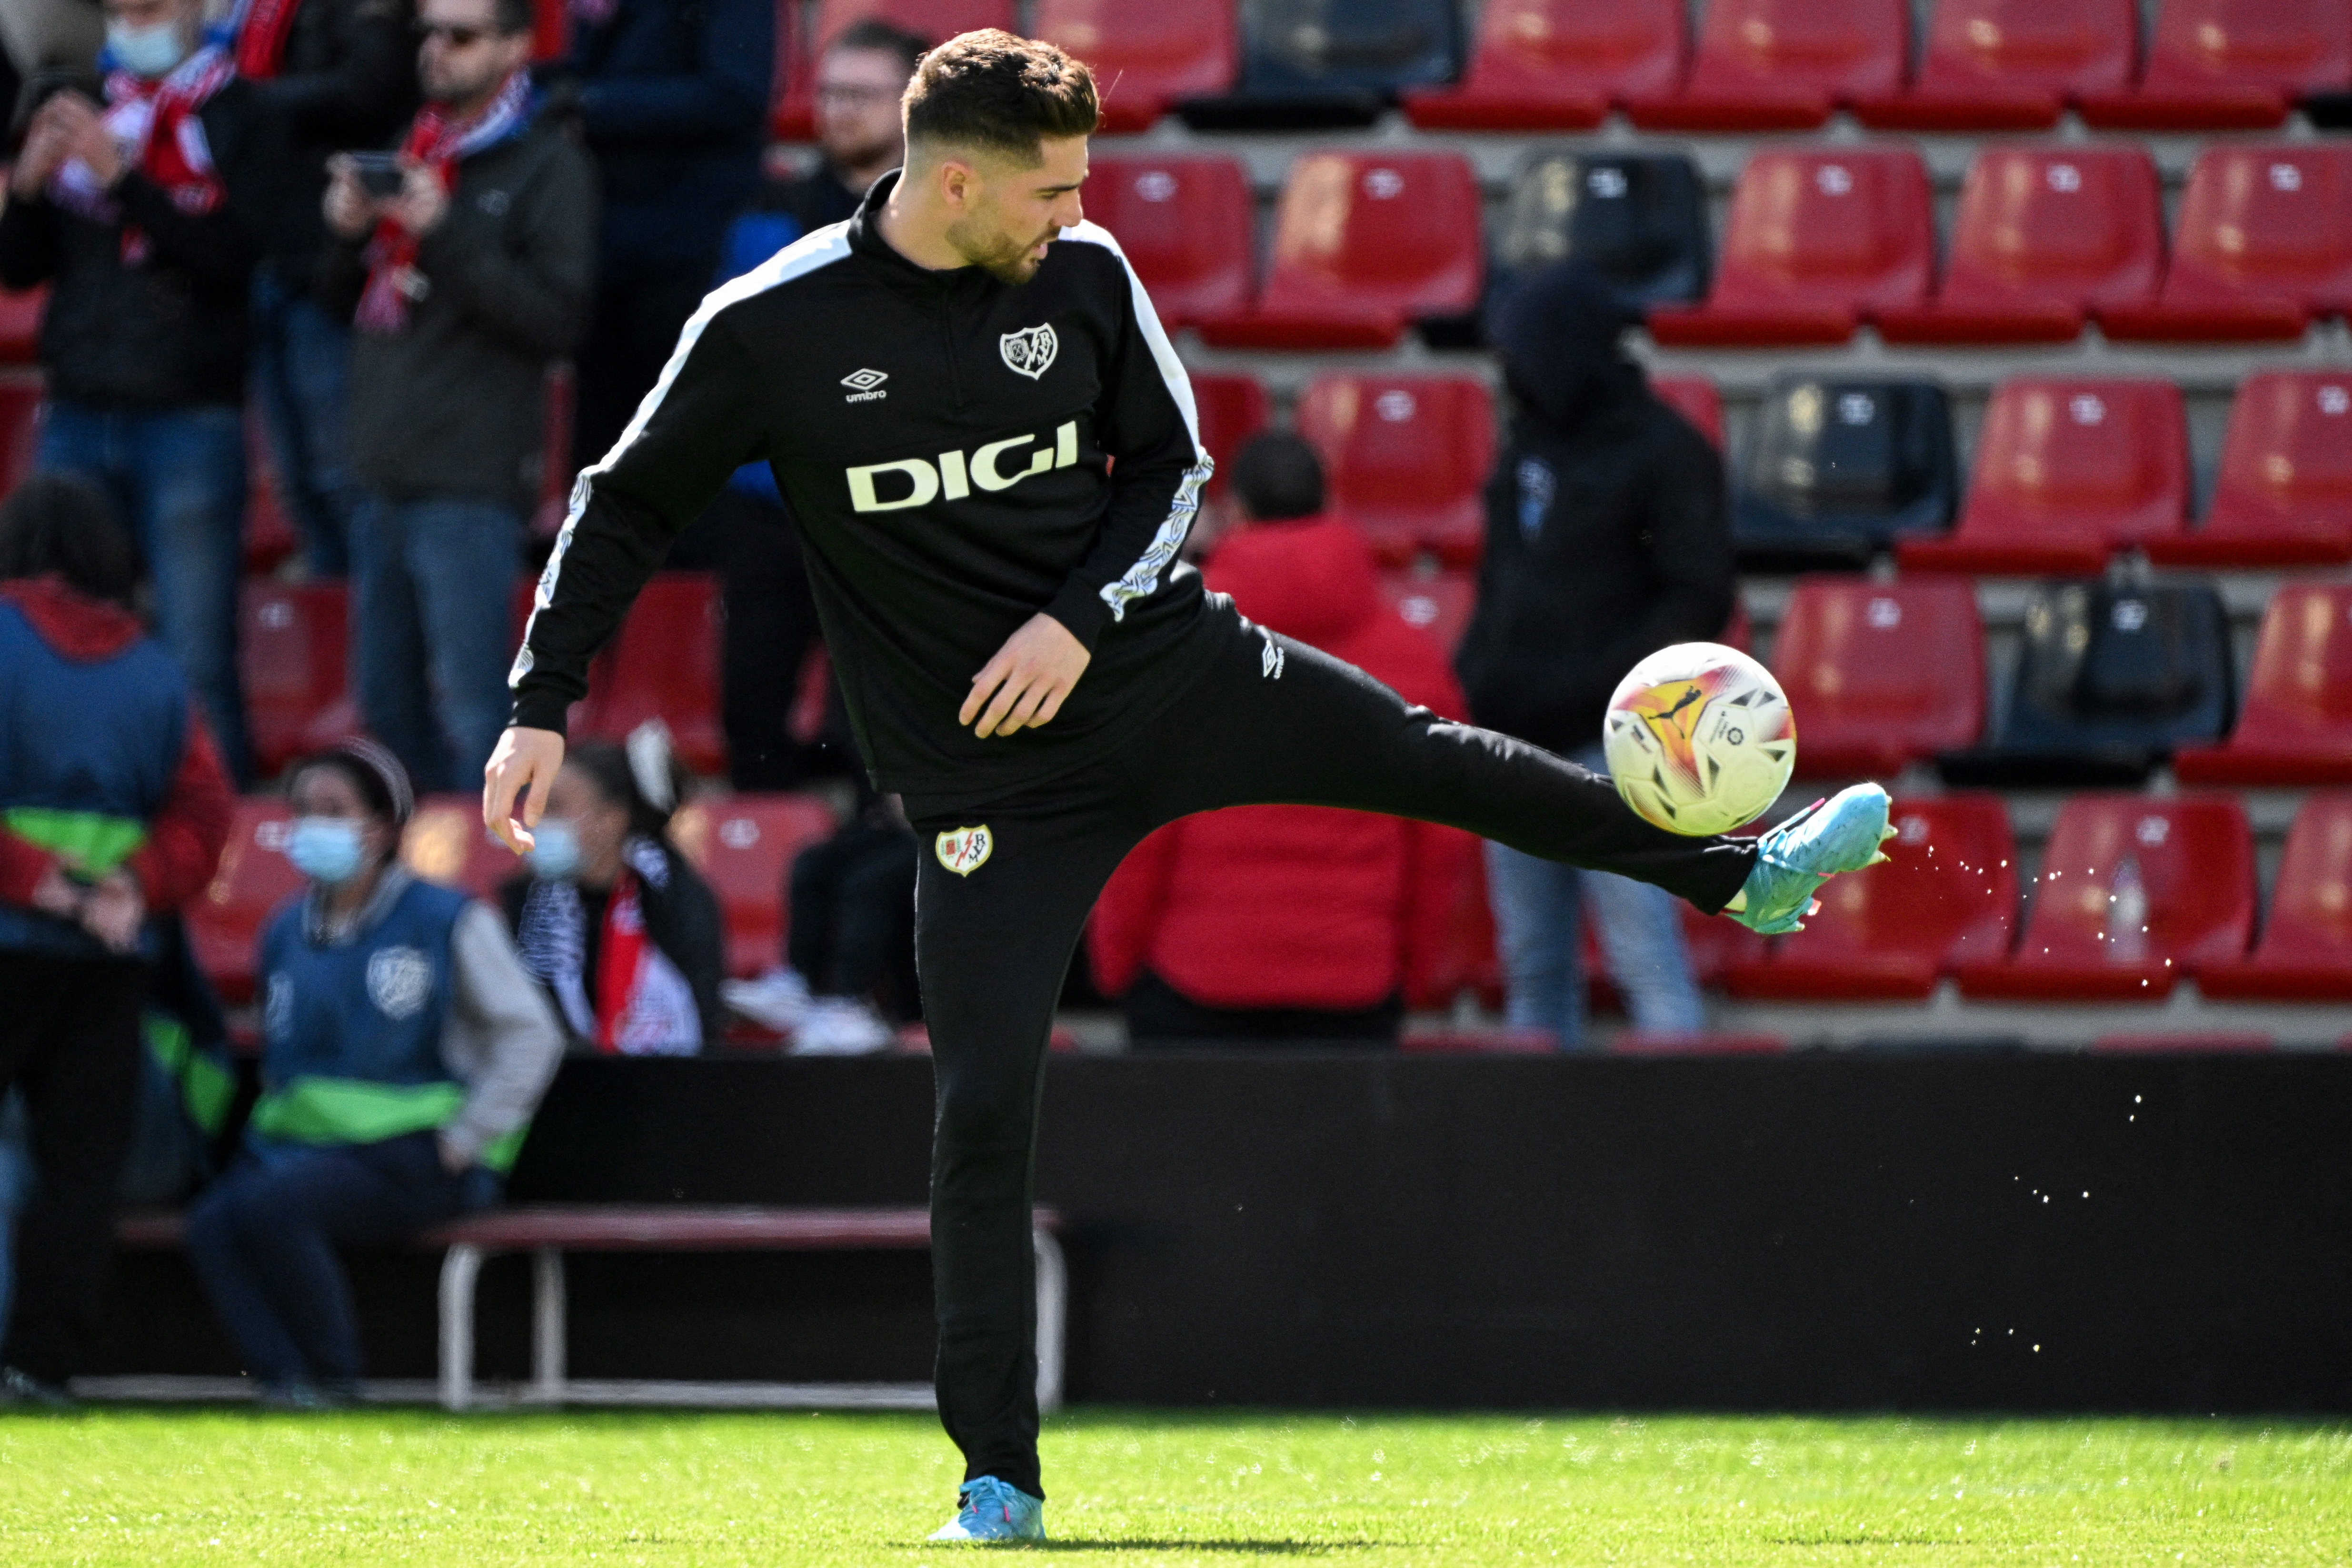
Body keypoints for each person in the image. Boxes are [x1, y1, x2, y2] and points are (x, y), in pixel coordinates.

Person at [481, 29, 1893, 1541]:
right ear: (953, 180)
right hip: (986, 787)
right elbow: (620, 506)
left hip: (1167, 678)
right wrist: (538, 706)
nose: (1072, 213)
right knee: (977, 1117)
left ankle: (1743, 871)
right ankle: (998, 1478)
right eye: (1047, 189)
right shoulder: (771, 325)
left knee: (1433, 762)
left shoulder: (1084, 277)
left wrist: (1074, 621)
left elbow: (1172, 472)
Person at [184, 739, 561, 1407]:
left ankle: (336, 1377)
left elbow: (531, 1034)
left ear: (384, 826)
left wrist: (467, 1136)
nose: (312, 825)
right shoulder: (283, 930)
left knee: (276, 1207)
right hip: (312, 1147)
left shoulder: (447, 919)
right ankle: (285, 1379)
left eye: (333, 809)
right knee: (214, 1220)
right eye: (303, 810)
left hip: (422, 1149)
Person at [1087, 433, 1478, 1049]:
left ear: (1234, 512)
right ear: (1330, 508)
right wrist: (1413, 970)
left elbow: (1134, 827)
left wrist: (1115, 963)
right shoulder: (1414, 661)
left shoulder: (1169, 649)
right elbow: (1441, 840)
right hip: (1352, 987)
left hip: (1194, 982)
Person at [1455, 262, 1739, 1051]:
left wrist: (1606, 688)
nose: (1508, 370)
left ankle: (1676, 1148)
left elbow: (1698, 595)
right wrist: (1481, 670)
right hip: (1512, 738)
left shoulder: (1666, 451)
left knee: (1642, 949)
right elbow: (1501, 577)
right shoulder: (1527, 443)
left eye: (1521, 351)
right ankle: (1533, 1151)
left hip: (1614, 745)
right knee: (1532, 958)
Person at [318, 0, 594, 795]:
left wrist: (444, 230)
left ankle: (488, 889)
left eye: (462, 35)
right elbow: (339, 303)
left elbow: (557, 320)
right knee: (386, 708)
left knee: (478, 712)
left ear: (515, 47)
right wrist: (343, 234)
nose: (437, 51)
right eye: (428, 33)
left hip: (470, 477)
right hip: (380, 471)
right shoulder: (413, 148)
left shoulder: (548, 163)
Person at [0, 473, 233, 1404]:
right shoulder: (155, 669)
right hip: (108, 954)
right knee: (79, 1172)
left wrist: (36, 882)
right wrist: (131, 891)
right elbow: (205, 814)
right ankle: (44, 1364)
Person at [0, 0, 269, 783]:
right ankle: (76, 805)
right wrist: (27, 187)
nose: (130, 18)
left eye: (148, 5)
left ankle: (223, 833)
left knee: (195, 651)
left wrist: (125, 182)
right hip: (81, 406)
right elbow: (21, 268)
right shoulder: (80, 102)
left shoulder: (231, 108)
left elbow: (238, 257)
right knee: (59, 634)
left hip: (188, 413)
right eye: (119, 6)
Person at [695, 16, 926, 787]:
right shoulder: (767, 212)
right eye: (829, 93)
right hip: (771, 505)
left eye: (862, 93)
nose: (839, 110)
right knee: (749, 724)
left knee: (882, 743)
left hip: (900, 510)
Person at [556, 0, 770, 475]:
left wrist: (593, 104)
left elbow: (737, 94)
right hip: (607, 243)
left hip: (688, 247)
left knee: (677, 436)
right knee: (602, 441)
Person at [499, 727, 722, 1054]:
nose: (534, 823)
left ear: (612, 820)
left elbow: (700, 1024)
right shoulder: (528, 903)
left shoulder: (674, 901)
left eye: (554, 808)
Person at [723, 793, 918, 1053]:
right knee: (812, 863)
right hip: (908, 827)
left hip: (956, 833)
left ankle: (848, 1003)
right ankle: (802, 982)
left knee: (868, 884)